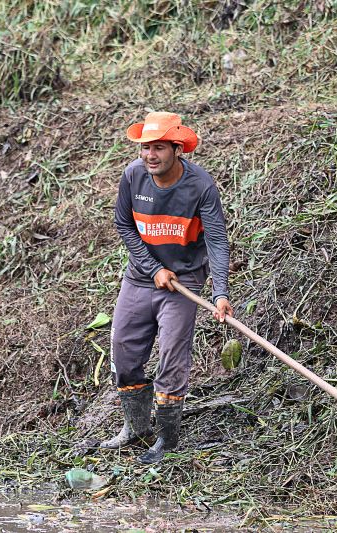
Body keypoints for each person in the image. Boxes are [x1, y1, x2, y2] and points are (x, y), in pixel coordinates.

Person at [100, 112, 233, 464]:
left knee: (172, 357)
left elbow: (217, 242)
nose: (150, 156)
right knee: (124, 353)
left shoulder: (200, 185)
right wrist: (154, 268)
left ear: (177, 149)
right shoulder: (132, 176)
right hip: (141, 278)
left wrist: (219, 293)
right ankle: (136, 427)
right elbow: (124, 226)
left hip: (185, 280)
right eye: (145, 148)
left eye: (158, 147)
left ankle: (168, 439)